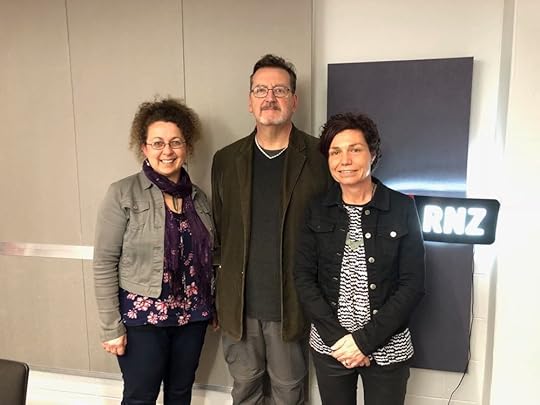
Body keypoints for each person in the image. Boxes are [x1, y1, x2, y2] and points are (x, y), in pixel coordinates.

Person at [211, 54, 329, 404]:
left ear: (294, 100)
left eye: (280, 90)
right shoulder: (226, 159)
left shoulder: (321, 157)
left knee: (289, 391)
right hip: (239, 307)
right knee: (244, 388)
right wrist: (217, 298)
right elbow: (219, 233)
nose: (270, 97)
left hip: (292, 306)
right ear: (250, 101)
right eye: (260, 90)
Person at [295, 113, 425, 405]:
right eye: (335, 152)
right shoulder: (316, 209)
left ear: (372, 153)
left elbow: (413, 285)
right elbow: (303, 279)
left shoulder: (401, 208)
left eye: (355, 149)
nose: (345, 160)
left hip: (388, 347)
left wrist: (363, 343)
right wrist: (341, 342)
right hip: (332, 346)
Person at [93, 98, 215, 405]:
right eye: (157, 143)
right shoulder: (122, 193)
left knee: (180, 394)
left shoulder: (198, 198)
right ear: (144, 148)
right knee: (140, 397)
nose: (167, 151)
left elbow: (211, 258)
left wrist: (214, 304)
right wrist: (110, 326)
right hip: (143, 317)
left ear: (187, 147)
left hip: (192, 315)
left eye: (176, 142)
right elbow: (104, 262)